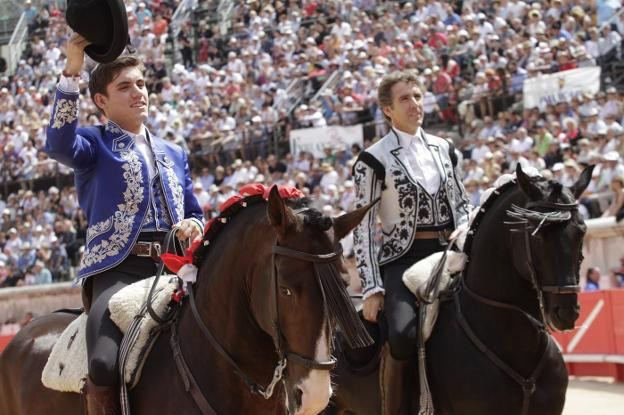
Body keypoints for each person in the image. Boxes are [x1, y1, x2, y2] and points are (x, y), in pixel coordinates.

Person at [45, 34, 203, 414]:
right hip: (118, 268)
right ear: (101, 101)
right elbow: (57, 144)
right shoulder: (92, 144)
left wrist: (195, 226)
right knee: (102, 361)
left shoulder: (174, 153)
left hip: (176, 267)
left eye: (141, 84)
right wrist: (71, 71)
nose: (138, 92)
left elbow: (195, 210)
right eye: (124, 87)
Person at [352, 70, 472, 414]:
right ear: (387, 110)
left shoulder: (445, 148)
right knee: (403, 334)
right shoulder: (373, 159)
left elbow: (462, 204)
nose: (415, 104)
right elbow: (363, 229)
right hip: (403, 259)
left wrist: (462, 228)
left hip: (449, 253)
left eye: (418, 96)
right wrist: (373, 287)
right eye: (405, 98)